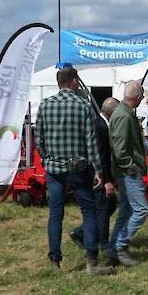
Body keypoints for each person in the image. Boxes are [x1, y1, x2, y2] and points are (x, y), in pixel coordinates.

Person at [35, 67, 112, 275]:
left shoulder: (45, 105)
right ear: (74, 81)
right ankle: (91, 262)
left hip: (54, 169)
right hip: (79, 167)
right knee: (89, 212)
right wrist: (98, 170)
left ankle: (55, 261)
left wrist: (46, 158)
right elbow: (91, 142)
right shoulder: (83, 106)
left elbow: (38, 139)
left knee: (55, 215)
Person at [69, 98, 119, 257]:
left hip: (97, 174)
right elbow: (101, 156)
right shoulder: (101, 127)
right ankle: (102, 243)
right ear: (112, 111)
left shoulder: (99, 123)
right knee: (103, 208)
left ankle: (82, 232)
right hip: (98, 176)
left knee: (110, 204)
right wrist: (106, 180)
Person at [107, 81, 148, 267]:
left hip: (124, 171)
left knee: (125, 211)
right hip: (127, 172)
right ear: (138, 97)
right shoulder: (124, 116)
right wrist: (132, 168)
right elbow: (120, 149)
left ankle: (113, 248)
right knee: (140, 210)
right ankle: (119, 246)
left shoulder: (124, 113)